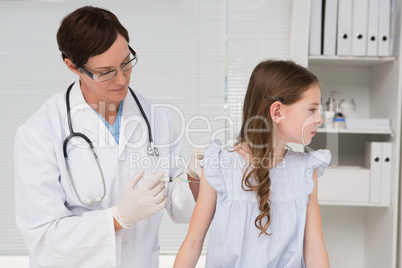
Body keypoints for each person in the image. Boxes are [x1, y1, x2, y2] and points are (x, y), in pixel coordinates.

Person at [14, 6, 203, 268]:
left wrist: (194, 178)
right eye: (106, 72)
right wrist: (118, 217)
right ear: (73, 66)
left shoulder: (156, 118)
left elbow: (180, 209)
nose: (122, 79)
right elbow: (46, 239)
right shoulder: (39, 133)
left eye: (126, 63)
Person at [174, 60, 331, 268]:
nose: (319, 118)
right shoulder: (219, 165)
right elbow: (193, 243)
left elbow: (315, 248)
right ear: (277, 112)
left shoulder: (304, 171)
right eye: (312, 109)